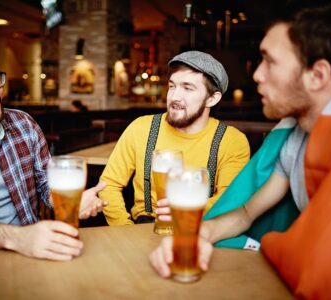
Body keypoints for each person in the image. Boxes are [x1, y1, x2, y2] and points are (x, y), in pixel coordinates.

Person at [150, 2, 331, 298]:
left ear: (318, 75)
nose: (257, 75)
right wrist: (201, 235)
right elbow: (247, 212)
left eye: (269, 62)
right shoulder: (295, 139)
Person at [0, 33, 107, 261]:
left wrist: (72, 201)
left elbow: (45, 184)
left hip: (33, 252)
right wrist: (17, 238)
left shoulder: (23, 125)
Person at [99, 51, 250, 225]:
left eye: (187, 88)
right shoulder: (141, 128)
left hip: (200, 230)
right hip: (145, 226)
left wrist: (187, 210)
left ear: (212, 99)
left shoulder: (231, 141)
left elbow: (229, 200)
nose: (174, 97)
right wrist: (125, 229)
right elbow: (108, 185)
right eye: (172, 86)